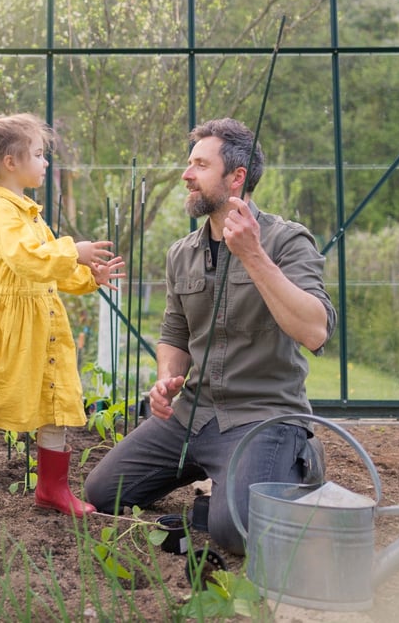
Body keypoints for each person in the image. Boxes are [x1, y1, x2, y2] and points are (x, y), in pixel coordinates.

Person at [84, 117, 337, 554]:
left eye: (200, 165)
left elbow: (315, 330)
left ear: (236, 178)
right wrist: (166, 378)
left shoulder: (286, 241)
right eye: (189, 164)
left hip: (262, 415)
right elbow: (175, 333)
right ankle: (226, 478)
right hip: (191, 416)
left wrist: (253, 255)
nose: (186, 175)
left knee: (234, 532)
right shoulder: (181, 254)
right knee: (103, 492)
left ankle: (298, 461)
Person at [0, 113, 125, 529]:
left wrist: (87, 276)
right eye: (40, 154)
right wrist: (72, 250)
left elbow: (50, 269)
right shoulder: (1, 213)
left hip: (41, 325)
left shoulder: (29, 213)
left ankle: (53, 489)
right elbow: (27, 260)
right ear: (11, 162)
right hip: (9, 331)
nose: (46, 163)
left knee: (53, 405)